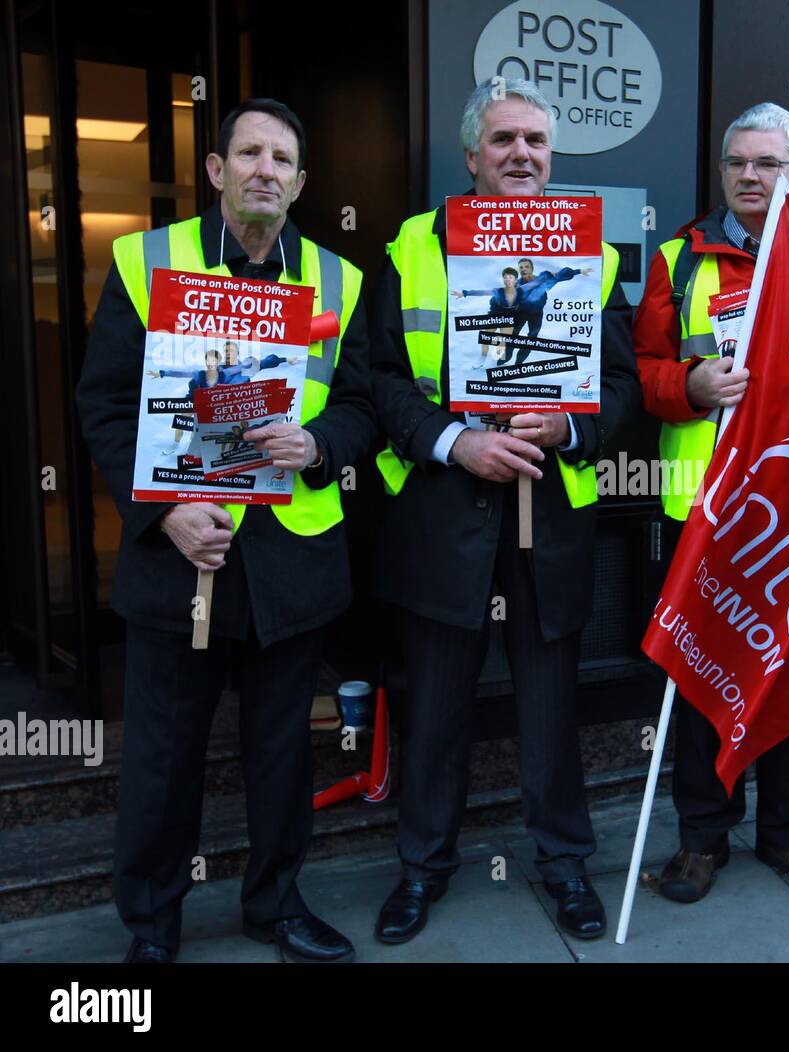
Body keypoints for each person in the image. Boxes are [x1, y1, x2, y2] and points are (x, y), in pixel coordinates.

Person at [76, 98, 374, 964]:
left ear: (301, 182)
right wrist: (163, 511)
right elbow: (102, 405)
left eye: (282, 159)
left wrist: (319, 442)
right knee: (163, 760)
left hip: (291, 562)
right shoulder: (145, 261)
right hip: (179, 556)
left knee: (281, 755)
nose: (264, 171)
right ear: (216, 170)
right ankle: (153, 928)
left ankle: (275, 907)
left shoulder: (338, 279)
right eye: (248, 153)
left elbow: (359, 407)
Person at [369, 79, 640, 944]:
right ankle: (422, 869)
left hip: (548, 518)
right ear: (471, 155)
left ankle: (565, 865)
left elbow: (628, 387)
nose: (522, 154)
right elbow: (372, 382)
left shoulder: (589, 254)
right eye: (504, 140)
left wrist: (571, 423)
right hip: (443, 513)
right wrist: (455, 441)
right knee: (437, 705)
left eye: (536, 142)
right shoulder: (412, 246)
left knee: (550, 705)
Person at [633, 102, 789, 904]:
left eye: (767, 164)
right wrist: (690, 386)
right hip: (701, 511)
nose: (748, 176)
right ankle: (702, 841)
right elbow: (640, 373)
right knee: (700, 677)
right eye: (737, 162)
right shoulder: (680, 259)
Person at [506, 257, 592, 364]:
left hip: (537, 314)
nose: (524, 269)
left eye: (526, 267)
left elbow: (559, 276)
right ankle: (507, 356)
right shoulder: (516, 284)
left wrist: (579, 271)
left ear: (532, 268)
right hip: (520, 312)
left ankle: (519, 362)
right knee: (512, 335)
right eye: (521, 267)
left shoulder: (542, 280)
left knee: (532, 338)